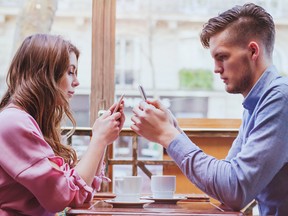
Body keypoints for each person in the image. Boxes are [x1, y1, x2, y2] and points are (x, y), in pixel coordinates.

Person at [131, 3, 288, 216]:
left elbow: (235, 189)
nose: (215, 68)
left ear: (253, 51)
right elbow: (227, 182)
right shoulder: (256, 105)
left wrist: (168, 136)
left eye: (222, 57)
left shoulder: (279, 99)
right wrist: (172, 129)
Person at [0, 34, 125, 215]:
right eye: (70, 71)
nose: (76, 81)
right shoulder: (13, 123)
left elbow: (78, 191)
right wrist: (99, 139)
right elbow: (65, 196)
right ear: (45, 74)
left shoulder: (24, 120)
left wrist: (102, 140)